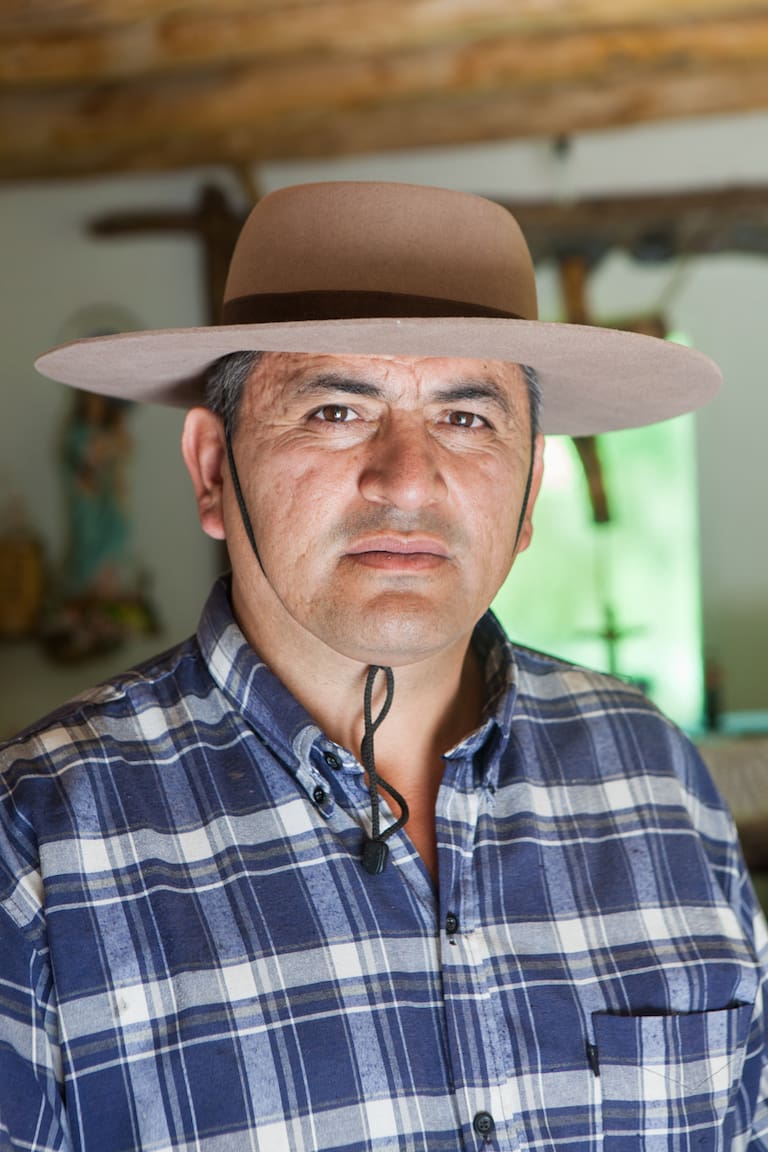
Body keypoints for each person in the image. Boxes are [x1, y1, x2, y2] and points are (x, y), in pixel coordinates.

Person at [1, 181, 765, 1151]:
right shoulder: (36, 842)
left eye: (467, 419)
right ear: (212, 468)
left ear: (530, 491)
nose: (407, 480)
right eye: (334, 410)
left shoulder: (654, 773)